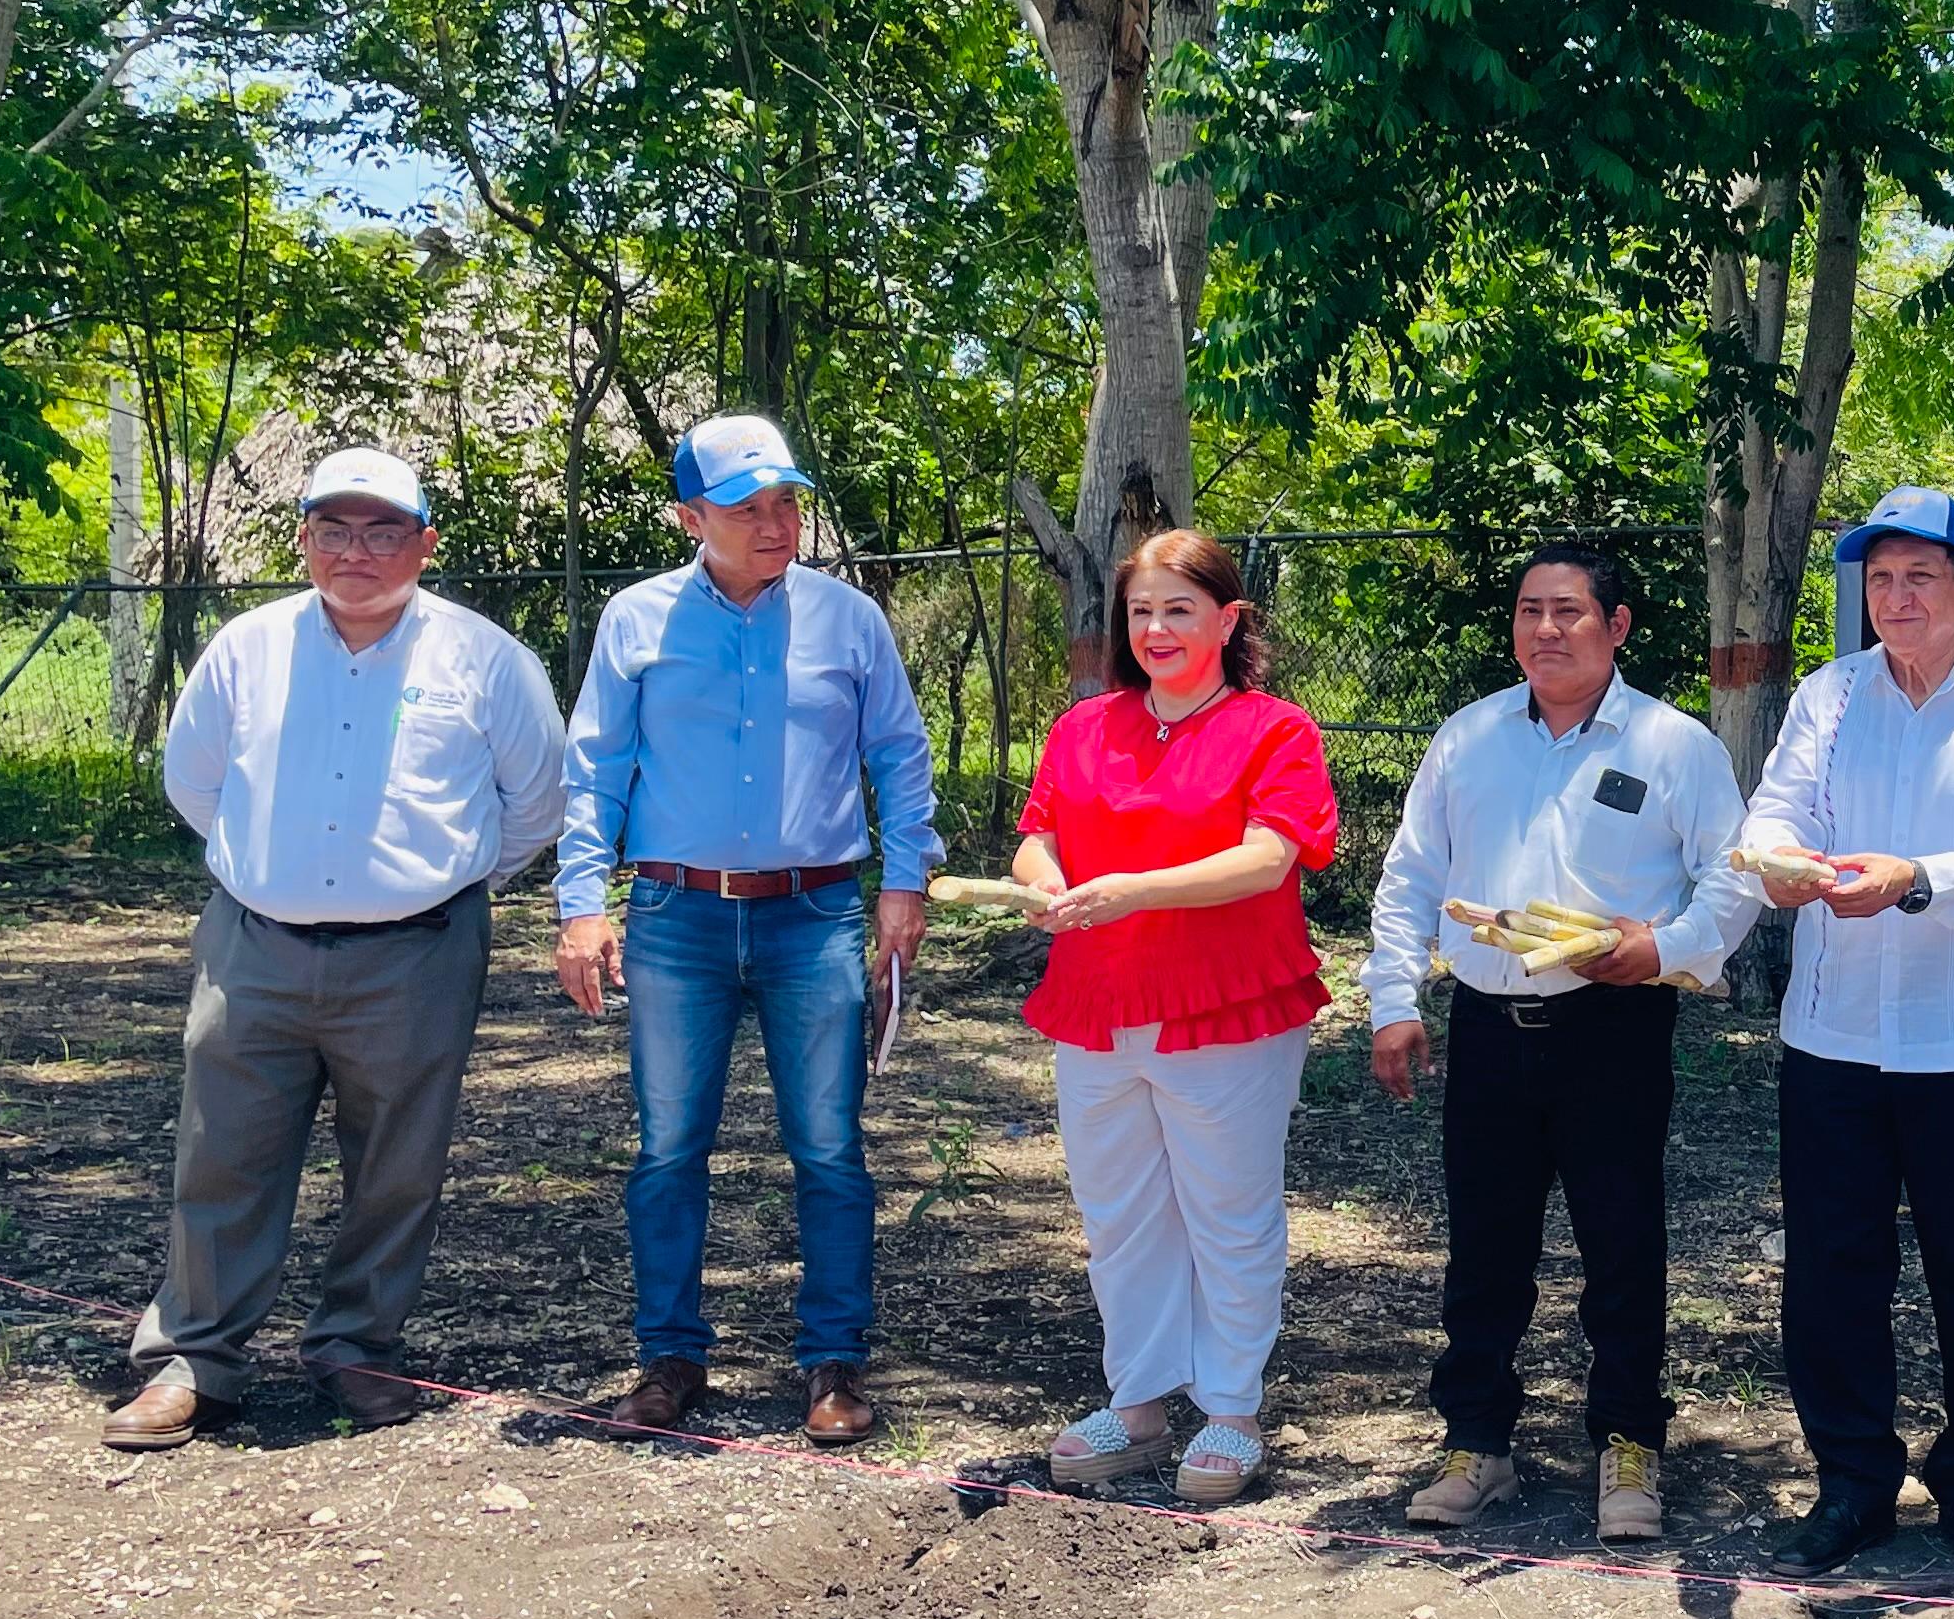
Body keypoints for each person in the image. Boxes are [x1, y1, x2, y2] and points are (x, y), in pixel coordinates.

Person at [104, 450, 567, 1448]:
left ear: (426, 543)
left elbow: (535, 809)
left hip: (417, 955)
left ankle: (358, 1345)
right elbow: (197, 785)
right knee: (222, 1155)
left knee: (398, 1164)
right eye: (335, 529)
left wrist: (434, 890)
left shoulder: (486, 661)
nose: (357, 552)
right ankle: (192, 1360)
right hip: (253, 949)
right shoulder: (246, 649)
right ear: (305, 538)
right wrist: (268, 875)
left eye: (384, 530)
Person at [556, 413, 940, 1446]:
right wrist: (582, 905)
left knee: (829, 1148)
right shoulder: (635, 621)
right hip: (676, 915)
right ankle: (670, 1357)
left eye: (786, 503)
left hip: (814, 916)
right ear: (691, 518)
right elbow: (594, 769)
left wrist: (904, 883)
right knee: (669, 1149)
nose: (776, 526)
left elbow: (900, 755)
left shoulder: (849, 620)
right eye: (746, 509)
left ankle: (833, 1364)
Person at [1365, 547, 1753, 1544]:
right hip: (1489, 1027)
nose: (1546, 630)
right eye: (1530, 611)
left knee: (1622, 1243)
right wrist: (1393, 1000)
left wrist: (1662, 947)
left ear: (1616, 627)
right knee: (1484, 1247)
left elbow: (1734, 878)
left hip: (1613, 1028)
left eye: (1570, 611)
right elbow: (1412, 877)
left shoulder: (1673, 746)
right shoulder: (1471, 738)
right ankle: (1477, 1442)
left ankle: (1628, 1440)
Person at [1739, 486, 1954, 1578]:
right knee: (1833, 1270)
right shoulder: (1828, 697)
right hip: (1833, 1031)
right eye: (1879, 579)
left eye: (1921, 577)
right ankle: (1852, 1482)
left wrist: (1915, 880)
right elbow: (1775, 811)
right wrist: (1780, 863)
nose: (1898, 599)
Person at [1009, 531, 1340, 1507]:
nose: (1156, 629)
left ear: (1228, 620)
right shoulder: (1084, 728)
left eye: (1179, 609)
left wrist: (1131, 890)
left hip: (1228, 1006)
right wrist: (1048, 886)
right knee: (1119, 1216)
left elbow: (1271, 856)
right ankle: (1141, 1403)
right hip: (1097, 1004)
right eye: (1142, 611)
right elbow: (1037, 838)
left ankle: (1232, 1412)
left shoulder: (1275, 730)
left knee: (1228, 1215)